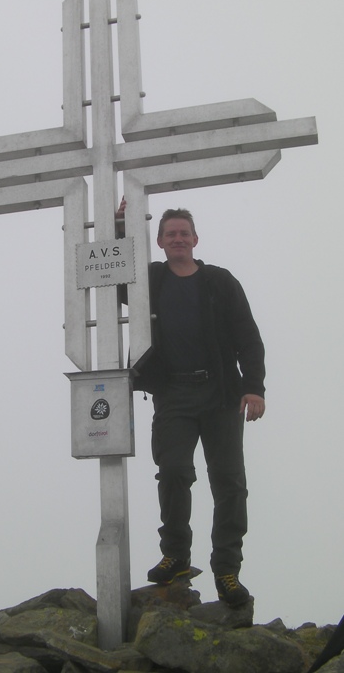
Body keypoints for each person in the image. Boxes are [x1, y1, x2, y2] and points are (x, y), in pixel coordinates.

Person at [118, 201, 265, 607]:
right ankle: (177, 557)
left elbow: (248, 337)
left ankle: (227, 570)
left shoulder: (220, 281)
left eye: (184, 233)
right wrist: (118, 225)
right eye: (171, 234)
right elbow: (113, 278)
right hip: (173, 395)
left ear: (195, 239)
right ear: (161, 242)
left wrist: (254, 387)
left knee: (229, 483)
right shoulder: (149, 280)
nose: (178, 239)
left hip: (221, 395)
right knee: (173, 472)